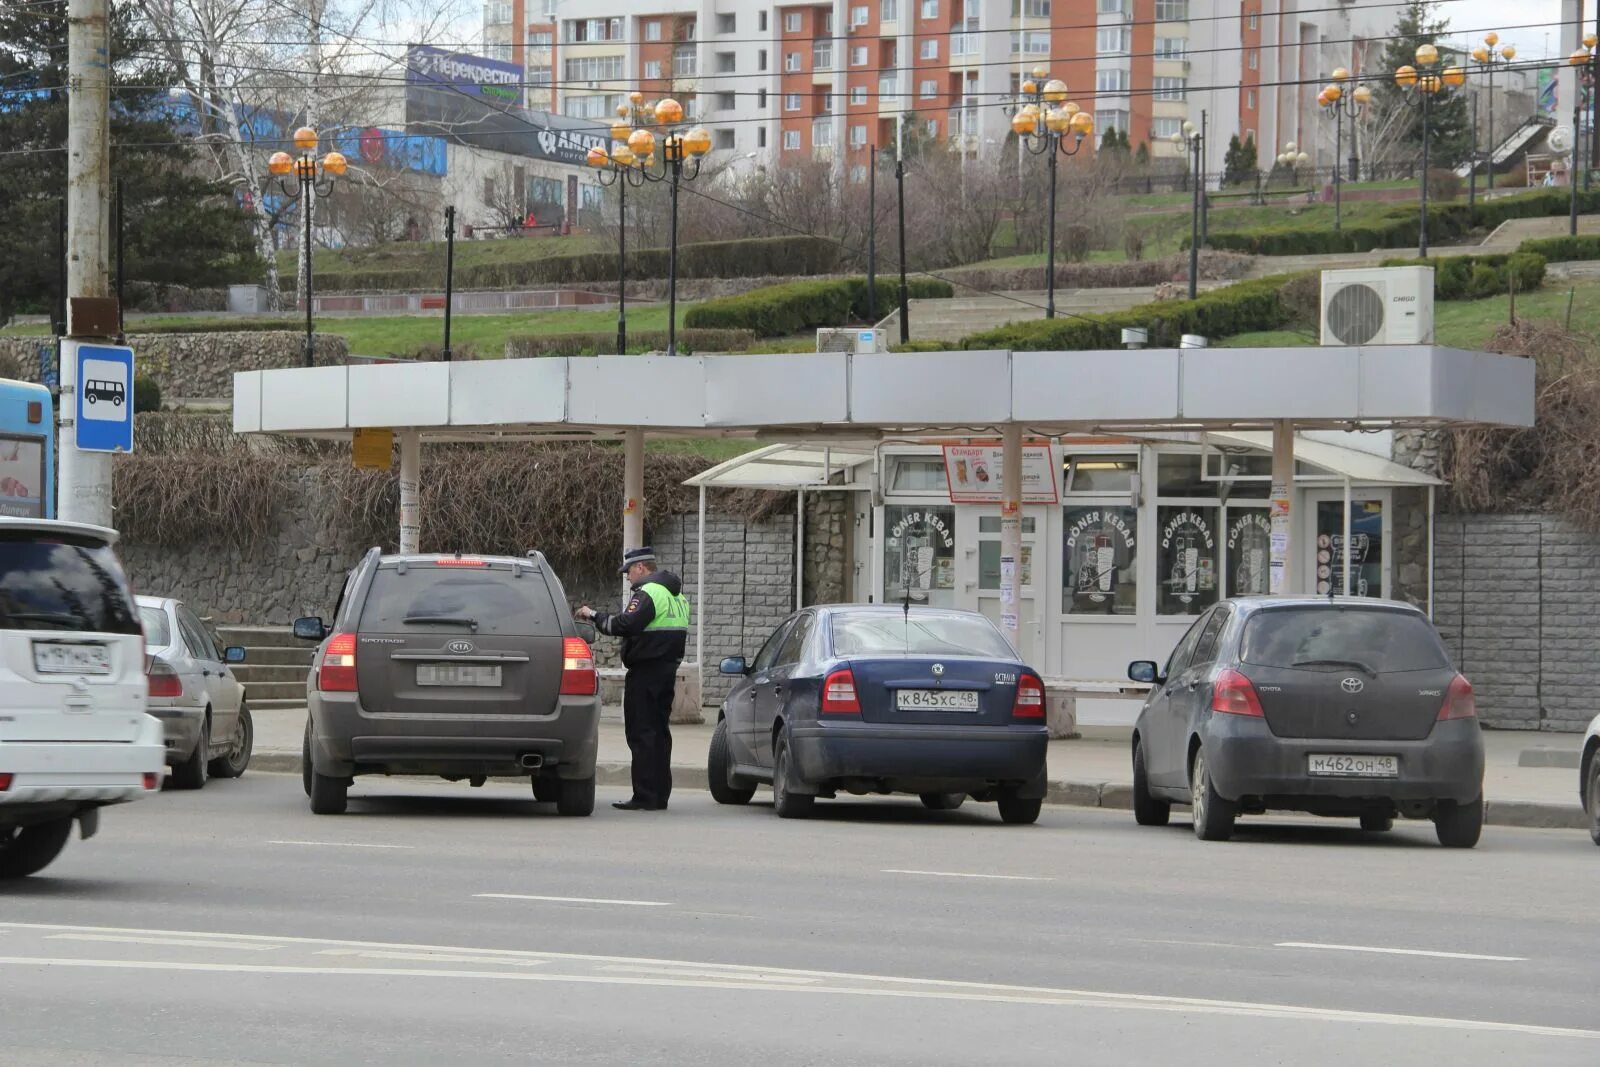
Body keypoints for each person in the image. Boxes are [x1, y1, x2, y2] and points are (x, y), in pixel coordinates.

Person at [577, 547, 689, 811]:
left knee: (641, 733)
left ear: (641, 568)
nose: (628, 577)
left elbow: (625, 624)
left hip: (646, 673)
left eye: (628, 571)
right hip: (666, 670)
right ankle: (659, 794)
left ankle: (645, 796)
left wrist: (593, 616)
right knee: (659, 733)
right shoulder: (677, 595)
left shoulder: (649, 592)